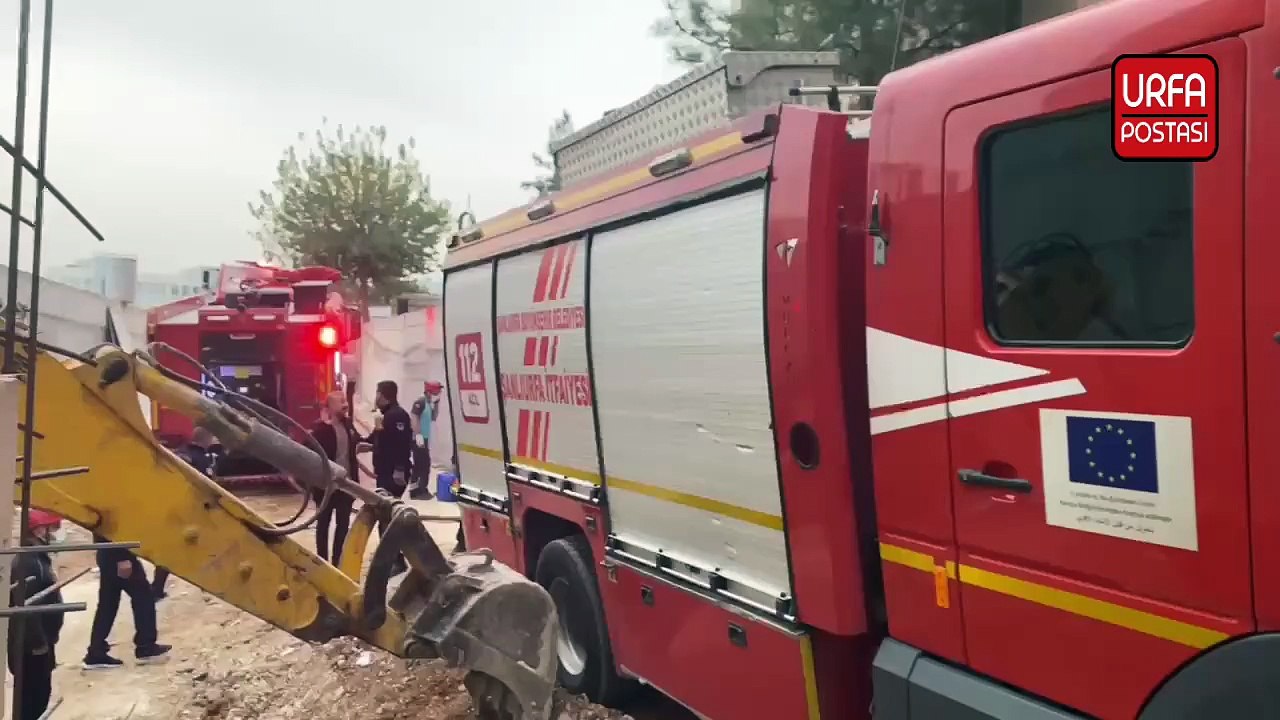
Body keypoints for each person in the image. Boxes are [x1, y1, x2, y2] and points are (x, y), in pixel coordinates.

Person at [9, 510, 66, 720]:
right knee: (31, 700)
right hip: (31, 646)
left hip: (42, 641)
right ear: (39, 530)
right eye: (53, 528)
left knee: (40, 695)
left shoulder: (38, 558)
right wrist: (38, 643)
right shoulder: (28, 562)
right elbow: (27, 606)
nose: (55, 533)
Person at [83, 533, 171, 669]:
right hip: (118, 553)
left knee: (108, 604)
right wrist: (123, 557)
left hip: (108, 552)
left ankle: (96, 652)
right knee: (143, 597)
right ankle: (145, 647)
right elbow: (113, 528)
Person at [152, 427, 218, 600]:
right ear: (207, 439)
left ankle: (157, 588)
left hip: (174, 510)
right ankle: (210, 586)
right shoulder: (202, 459)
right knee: (207, 548)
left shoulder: (181, 453)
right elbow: (209, 487)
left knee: (170, 552)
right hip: (194, 512)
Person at [359, 380, 414, 574]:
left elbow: (402, 445)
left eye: (377, 393)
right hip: (384, 472)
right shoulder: (384, 416)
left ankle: (396, 561)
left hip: (393, 474)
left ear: (383, 395)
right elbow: (379, 438)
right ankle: (393, 558)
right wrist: (364, 444)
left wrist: (399, 469)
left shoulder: (397, 416)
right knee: (386, 517)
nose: (375, 396)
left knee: (387, 518)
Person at [310, 390, 359, 562]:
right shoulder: (320, 429)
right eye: (341, 401)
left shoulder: (348, 424)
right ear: (330, 407)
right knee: (323, 524)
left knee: (343, 525)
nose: (345, 404)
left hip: (346, 485)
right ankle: (322, 561)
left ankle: (338, 560)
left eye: (345, 400)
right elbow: (308, 452)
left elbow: (357, 443)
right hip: (326, 486)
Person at [408, 381, 442, 500]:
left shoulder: (428, 403)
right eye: (436, 392)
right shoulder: (420, 402)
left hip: (424, 439)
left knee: (423, 464)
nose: (438, 394)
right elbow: (414, 417)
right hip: (419, 439)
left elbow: (434, 417)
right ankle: (417, 490)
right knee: (422, 465)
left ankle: (420, 489)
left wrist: (436, 404)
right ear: (428, 392)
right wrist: (418, 435)